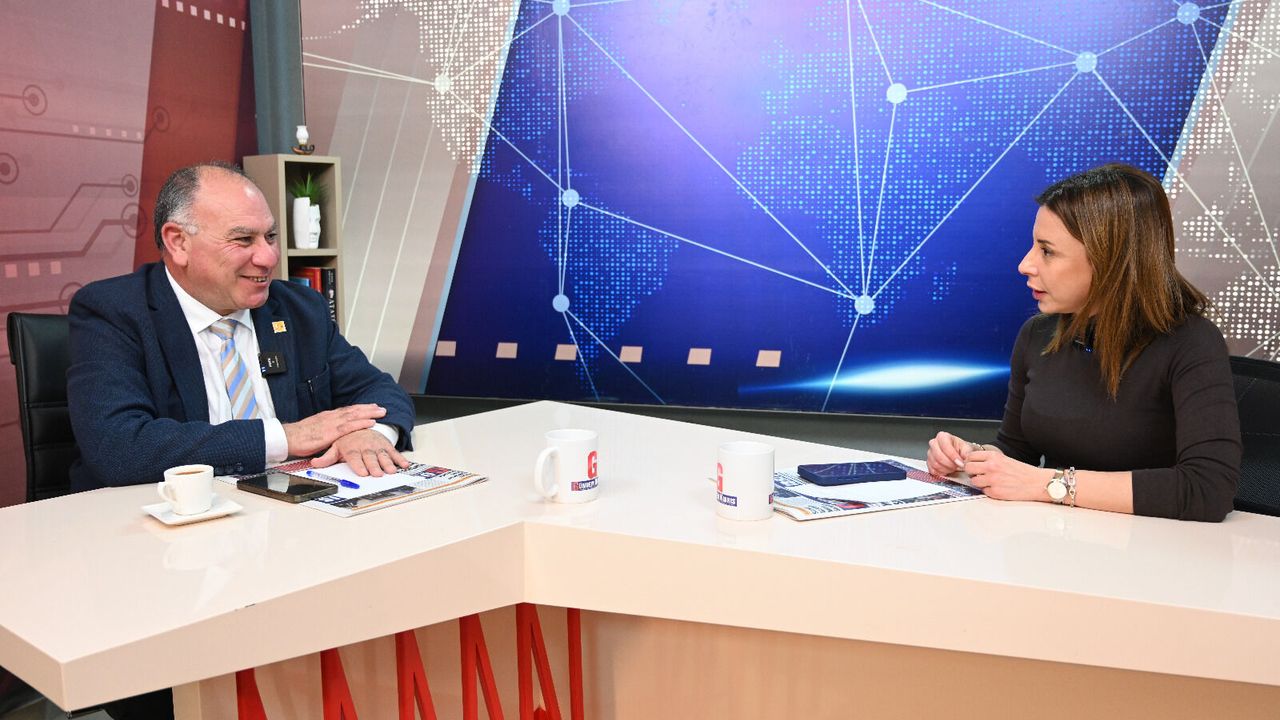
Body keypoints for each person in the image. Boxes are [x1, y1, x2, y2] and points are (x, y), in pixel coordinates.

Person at [67, 161, 415, 493]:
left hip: (292, 514)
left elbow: (380, 392)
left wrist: (370, 435)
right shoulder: (114, 312)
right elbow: (119, 446)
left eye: (270, 236)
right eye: (244, 240)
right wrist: (286, 438)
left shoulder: (300, 308)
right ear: (178, 242)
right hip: (164, 518)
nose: (269, 257)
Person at [926, 163, 1240, 522]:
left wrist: (1048, 485)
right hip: (1055, 540)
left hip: (1150, 548)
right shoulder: (1037, 335)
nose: (1025, 264)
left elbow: (1208, 489)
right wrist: (972, 458)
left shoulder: (1192, 344)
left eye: (1047, 251)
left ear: (1110, 260)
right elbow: (1017, 452)